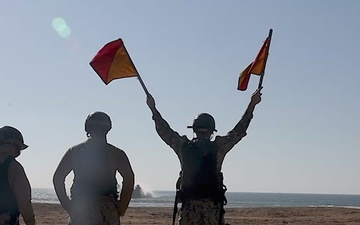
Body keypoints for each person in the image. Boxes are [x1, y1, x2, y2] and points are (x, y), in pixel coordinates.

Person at [146, 87, 263, 225]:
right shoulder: (219, 147)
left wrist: (153, 109)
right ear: (211, 131)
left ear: (194, 130)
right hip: (212, 209)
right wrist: (251, 105)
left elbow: (164, 131)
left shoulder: (182, 146)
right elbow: (238, 131)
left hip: (189, 208)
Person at [53, 112, 135, 225]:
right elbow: (129, 178)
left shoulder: (75, 151)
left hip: (81, 208)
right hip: (107, 208)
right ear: (108, 128)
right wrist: (122, 206)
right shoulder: (116, 153)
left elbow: (58, 178)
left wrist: (68, 205)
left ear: (87, 127)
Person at [0, 126, 35, 225]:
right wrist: (30, 222)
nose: (18, 153)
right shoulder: (13, 168)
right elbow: (24, 203)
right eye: (18, 149)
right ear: (9, 145)